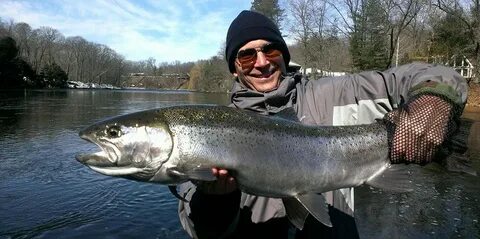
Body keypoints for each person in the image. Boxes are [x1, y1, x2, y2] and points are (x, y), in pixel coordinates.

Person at [177, 10, 468, 239]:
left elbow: (433, 74)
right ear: (233, 67)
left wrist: (434, 98)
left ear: (284, 55)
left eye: (271, 50)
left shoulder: (333, 95)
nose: (262, 62)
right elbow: (200, 231)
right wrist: (215, 202)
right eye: (247, 54)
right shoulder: (209, 132)